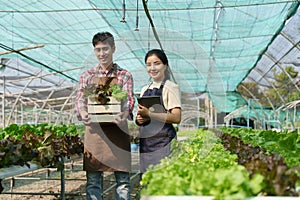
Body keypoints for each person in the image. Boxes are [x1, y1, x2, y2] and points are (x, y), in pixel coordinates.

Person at [75, 32, 135, 200]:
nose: (102, 54)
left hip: (118, 131)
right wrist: (84, 113)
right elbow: (80, 99)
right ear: (94, 51)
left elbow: (129, 99)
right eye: (98, 50)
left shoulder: (125, 75)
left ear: (113, 49)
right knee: (93, 180)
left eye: (105, 49)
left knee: (122, 180)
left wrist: (124, 113)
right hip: (95, 133)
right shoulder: (87, 76)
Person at [135, 49, 181, 176]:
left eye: (157, 63)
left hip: (163, 142)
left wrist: (149, 114)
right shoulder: (145, 89)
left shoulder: (171, 87)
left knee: (163, 180)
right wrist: (139, 119)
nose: (152, 68)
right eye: (148, 65)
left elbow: (176, 117)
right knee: (147, 180)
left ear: (165, 66)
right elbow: (141, 114)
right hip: (146, 143)